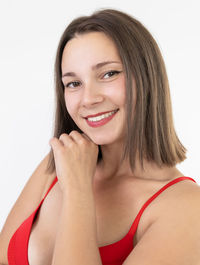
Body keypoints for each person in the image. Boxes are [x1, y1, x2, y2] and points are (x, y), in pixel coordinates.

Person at [1, 8, 200, 265]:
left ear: (147, 78)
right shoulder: (60, 161)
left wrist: (78, 191)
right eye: (73, 83)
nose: (88, 99)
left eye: (108, 74)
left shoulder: (186, 207)